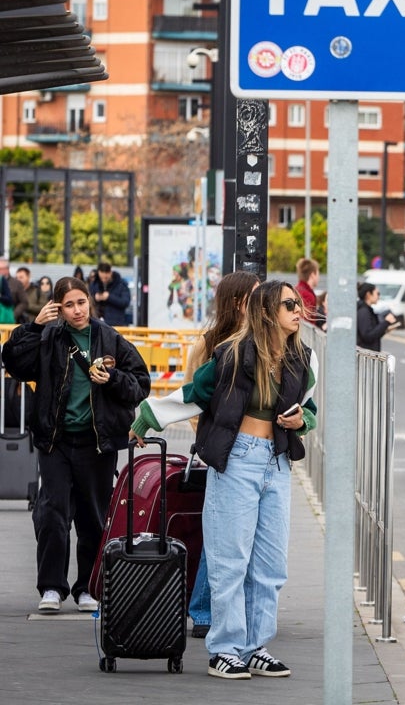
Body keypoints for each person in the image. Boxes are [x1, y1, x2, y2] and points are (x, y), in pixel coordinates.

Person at [130, 280, 317, 680]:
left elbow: (311, 408)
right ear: (267, 310)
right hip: (237, 460)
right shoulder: (232, 353)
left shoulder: (302, 357)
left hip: (277, 462)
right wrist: (147, 417)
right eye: (289, 304)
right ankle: (224, 649)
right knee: (230, 559)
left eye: (298, 303)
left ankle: (255, 646)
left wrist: (302, 420)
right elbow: (194, 393)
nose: (298, 310)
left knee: (270, 565)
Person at [2, 276, 150, 614]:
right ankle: (52, 586)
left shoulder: (109, 338)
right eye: (68, 305)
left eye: (81, 302)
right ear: (57, 308)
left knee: (93, 518)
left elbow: (141, 383)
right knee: (53, 513)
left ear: (89, 302)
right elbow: (13, 363)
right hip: (55, 441)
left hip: (97, 444)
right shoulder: (49, 337)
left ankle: (88, 586)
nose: (77, 310)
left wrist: (112, 379)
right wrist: (32, 328)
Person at [176, 270, 260, 640]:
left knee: (241, 538)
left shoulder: (263, 338)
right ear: (239, 302)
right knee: (223, 536)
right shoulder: (211, 344)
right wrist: (212, 442)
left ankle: (221, 610)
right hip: (224, 451)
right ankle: (205, 610)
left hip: (257, 449)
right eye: (256, 295)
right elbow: (192, 395)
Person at [356, 282, 396, 351]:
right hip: (366, 355)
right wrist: (386, 322)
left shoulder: (367, 310)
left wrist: (384, 329)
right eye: (377, 293)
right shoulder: (363, 311)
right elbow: (368, 336)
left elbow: (373, 335)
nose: (378, 296)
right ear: (368, 294)